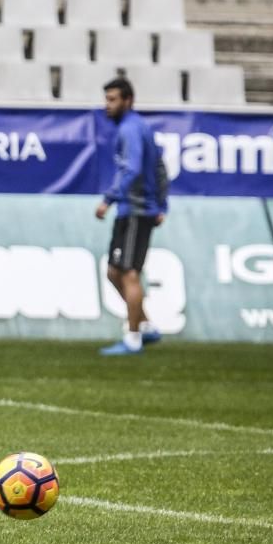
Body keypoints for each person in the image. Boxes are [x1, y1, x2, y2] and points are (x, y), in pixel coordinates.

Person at [95, 78, 167, 356]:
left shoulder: (130, 129)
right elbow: (160, 168)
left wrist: (108, 199)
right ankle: (145, 325)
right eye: (107, 99)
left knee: (128, 273)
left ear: (128, 100)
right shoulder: (139, 128)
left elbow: (133, 169)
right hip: (137, 209)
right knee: (114, 271)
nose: (108, 105)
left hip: (135, 209)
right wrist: (163, 205)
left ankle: (133, 337)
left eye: (113, 100)